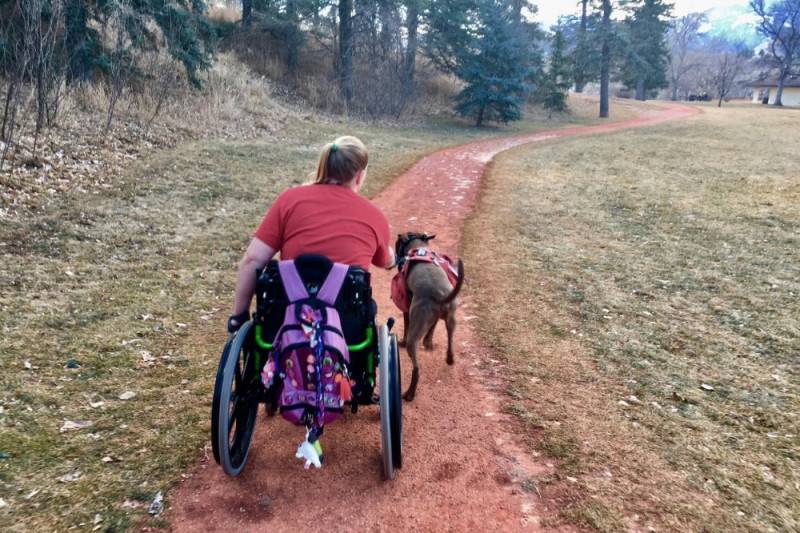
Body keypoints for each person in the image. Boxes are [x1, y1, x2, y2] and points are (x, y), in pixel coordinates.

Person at [227, 136, 396, 333]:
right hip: (346, 327)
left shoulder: (289, 200)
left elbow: (253, 260)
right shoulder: (373, 216)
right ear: (359, 175)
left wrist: (238, 317)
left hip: (286, 319)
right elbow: (384, 260)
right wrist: (393, 260)